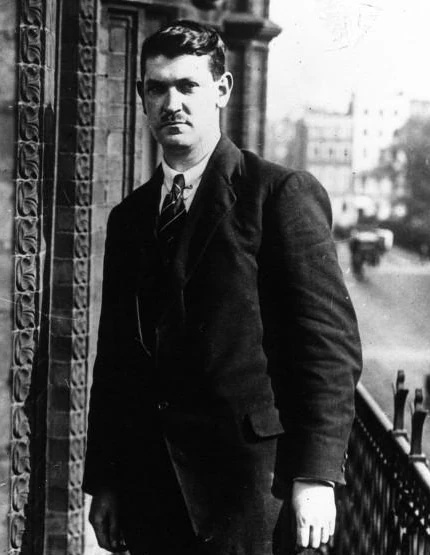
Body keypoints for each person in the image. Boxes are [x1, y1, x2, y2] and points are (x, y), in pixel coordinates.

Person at [83, 20, 362, 555]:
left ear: (222, 90)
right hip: (151, 492)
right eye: (157, 88)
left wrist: (317, 476)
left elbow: (328, 347)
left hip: (249, 493)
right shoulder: (130, 218)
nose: (172, 103)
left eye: (188, 86)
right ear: (142, 97)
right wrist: (108, 480)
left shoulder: (275, 194)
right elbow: (115, 360)